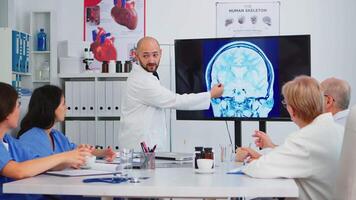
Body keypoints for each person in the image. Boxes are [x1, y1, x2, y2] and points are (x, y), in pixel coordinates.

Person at [235, 76, 344, 200]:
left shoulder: (305, 138)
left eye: (285, 103)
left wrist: (250, 162)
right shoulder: (340, 131)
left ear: (292, 110)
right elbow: (300, 158)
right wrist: (262, 157)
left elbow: (260, 169)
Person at [119, 36, 224, 151]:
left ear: (161, 53)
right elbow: (175, 101)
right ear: (136, 55)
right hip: (140, 149)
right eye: (145, 55)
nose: (151, 60)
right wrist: (210, 95)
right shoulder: (141, 81)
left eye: (155, 55)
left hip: (145, 147)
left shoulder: (147, 76)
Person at [0, 82, 91, 199]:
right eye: (18, 105)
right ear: (7, 112)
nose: (20, 110)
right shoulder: (29, 137)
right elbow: (18, 170)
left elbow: (39, 163)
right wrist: (64, 157)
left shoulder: (9, 141)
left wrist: (70, 160)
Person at [17, 85, 116, 162]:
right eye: (63, 103)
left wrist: (104, 152)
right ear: (51, 107)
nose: (66, 107)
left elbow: (76, 150)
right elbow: (46, 164)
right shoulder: (31, 137)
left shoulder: (56, 135)